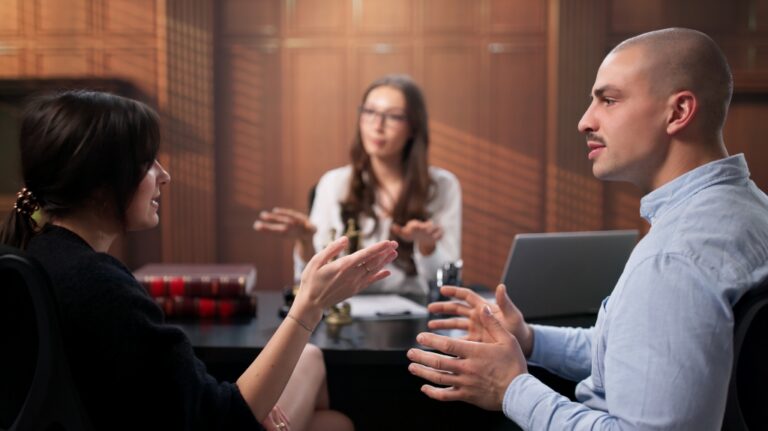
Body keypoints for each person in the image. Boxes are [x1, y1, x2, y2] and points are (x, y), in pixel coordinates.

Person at [406, 27, 768, 430]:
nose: (584, 121)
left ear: (679, 112)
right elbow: (642, 354)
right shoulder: (750, 211)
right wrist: (528, 339)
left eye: (609, 101)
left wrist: (510, 388)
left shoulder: (674, 259)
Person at [0, 90, 399, 430]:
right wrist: (309, 307)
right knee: (323, 393)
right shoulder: (98, 284)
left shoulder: (40, 254)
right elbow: (221, 419)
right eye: (147, 163)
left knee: (331, 422)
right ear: (102, 182)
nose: (164, 175)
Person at [254, 74, 461, 297]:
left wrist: (427, 247)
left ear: (413, 127)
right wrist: (305, 241)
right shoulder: (334, 183)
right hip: (347, 311)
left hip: (416, 313)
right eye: (369, 112)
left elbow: (446, 284)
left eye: (393, 117)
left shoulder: (442, 186)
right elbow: (308, 280)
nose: (377, 125)